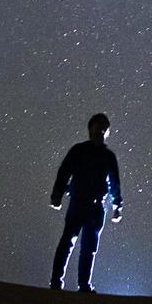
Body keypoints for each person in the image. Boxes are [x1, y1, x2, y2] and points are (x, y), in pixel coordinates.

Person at [49, 112, 123, 292]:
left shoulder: (108, 157)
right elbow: (64, 172)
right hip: (79, 203)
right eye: (98, 126)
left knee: (88, 248)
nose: (101, 130)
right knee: (68, 243)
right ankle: (57, 284)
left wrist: (117, 205)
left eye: (104, 128)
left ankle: (83, 286)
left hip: (96, 207)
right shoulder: (79, 150)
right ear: (90, 129)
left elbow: (114, 182)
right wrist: (57, 193)